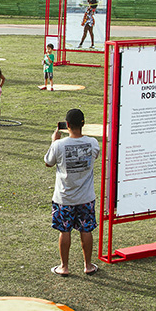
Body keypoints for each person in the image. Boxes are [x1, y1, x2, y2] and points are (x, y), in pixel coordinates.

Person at [44, 108, 101, 276]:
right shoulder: (93, 143)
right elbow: (95, 157)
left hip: (64, 197)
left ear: (66, 125)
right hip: (86, 197)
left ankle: (64, 266)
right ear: (83, 124)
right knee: (86, 230)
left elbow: (48, 162)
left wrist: (53, 141)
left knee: (65, 231)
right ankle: (88, 265)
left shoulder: (59, 145)